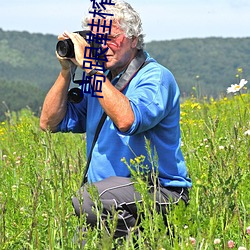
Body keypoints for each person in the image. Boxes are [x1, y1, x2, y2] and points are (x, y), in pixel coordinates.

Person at [40, 0, 192, 244]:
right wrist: (66, 71)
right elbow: (49, 123)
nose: (102, 45)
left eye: (110, 37)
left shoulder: (154, 77)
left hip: (159, 191)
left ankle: (147, 241)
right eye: (96, 38)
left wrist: (91, 69)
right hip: (110, 199)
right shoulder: (99, 81)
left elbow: (127, 120)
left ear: (133, 39)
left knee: (88, 199)